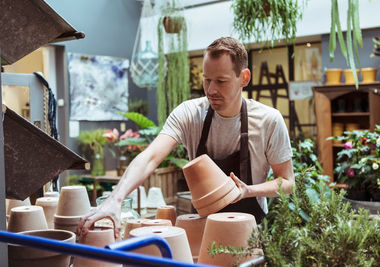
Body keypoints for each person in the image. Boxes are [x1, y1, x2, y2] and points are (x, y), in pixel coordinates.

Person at [77, 37, 294, 238]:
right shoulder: (189, 114)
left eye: (221, 81)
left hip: (249, 231)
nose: (211, 90)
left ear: (243, 78)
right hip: (199, 227)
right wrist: (115, 199)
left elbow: (287, 182)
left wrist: (248, 191)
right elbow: (151, 157)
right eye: (206, 80)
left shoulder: (269, 120)